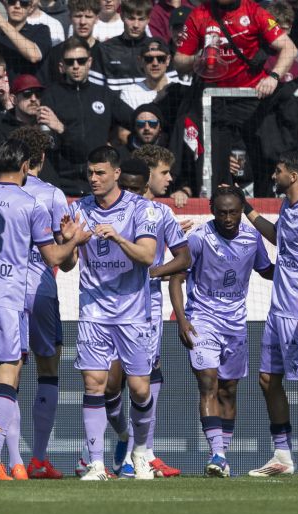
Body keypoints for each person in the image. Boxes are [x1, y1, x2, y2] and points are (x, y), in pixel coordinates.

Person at [0, 139, 86, 481]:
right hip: (7, 297)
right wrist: (74, 239)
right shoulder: (30, 203)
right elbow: (53, 258)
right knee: (8, 374)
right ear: (25, 166)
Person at [241, 152, 298, 480]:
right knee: (268, 380)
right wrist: (246, 208)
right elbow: (278, 237)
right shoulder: (288, 206)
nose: (274, 175)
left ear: (293, 177)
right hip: (278, 311)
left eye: (278, 171)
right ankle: (282, 456)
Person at [69, 146, 158, 481]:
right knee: (94, 384)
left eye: (100, 173)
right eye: (90, 173)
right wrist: (71, 241)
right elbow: (67, 264)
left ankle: (141, 452)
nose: (93, 179)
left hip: (132, 311)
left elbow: (147, 256)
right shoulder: (79, 209)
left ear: (116, 173)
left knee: (139, 389)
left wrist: (118, 238)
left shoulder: (141, 209)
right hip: (93, 308)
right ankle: (95, 463)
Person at [170, 185, 273, 477]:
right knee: (208, 383)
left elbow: (265, 269)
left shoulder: (252, 237)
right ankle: (216, 453)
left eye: (233, 212)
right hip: (202, 319)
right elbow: (176, 278)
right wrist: (181, 320)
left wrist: (295, 272)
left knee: (229, 390)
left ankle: (222, 458)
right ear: (212, 211)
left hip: (235, 323)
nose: (228, 218)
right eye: (222, 212)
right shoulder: (199, 238)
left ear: (241, 211)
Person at [104, 155, 190, 479]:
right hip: (106, 302)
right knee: (108, 382)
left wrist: (151, 272)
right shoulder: (105, 209)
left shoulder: (161, 213)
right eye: (164, 172)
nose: (169, 179)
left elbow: (184, 258)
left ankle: (141, 453)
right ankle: (121, 439)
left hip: (145, 305)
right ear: (148, 174)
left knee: (145, 374)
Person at [8, 126, 77, 479]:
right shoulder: (52, 195)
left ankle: (9, 460)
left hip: (4, 291)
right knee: (47, 370)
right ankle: (37, 458)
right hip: (41, 290)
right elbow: (67, 261)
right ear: (43, 157)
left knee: (6, 375)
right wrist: (71, 241)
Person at [173, 0, 297, 188]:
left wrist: (273, 77)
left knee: (266, 153)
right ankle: (215, 199)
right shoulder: (199, 15)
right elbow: (179, 60)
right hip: (214, 98)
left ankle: (268, 196)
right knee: (214, 162)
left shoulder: (255, 11)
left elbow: (289, 48)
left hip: (252, 96)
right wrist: (199, 58)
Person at [41, 37, 134, 195]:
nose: (76, 66)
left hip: (100, 181)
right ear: (62, 66)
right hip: (63, 183)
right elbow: (48, 143)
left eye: (81, 60)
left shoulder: (104, 94)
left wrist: (118, 151)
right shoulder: (50, 96)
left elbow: (136, 121)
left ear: (89, 62)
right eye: (70, 62)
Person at [91, 0, 158, 91]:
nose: (136, 25)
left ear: (148, 20)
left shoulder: (159, 49)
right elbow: (95, 89)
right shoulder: (105, 50)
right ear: (122, 16)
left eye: (141, 19)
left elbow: (170, 89)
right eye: (131, 19)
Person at [0, 0, 52, 80]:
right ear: (5, 5)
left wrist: (2, 22)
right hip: (1, 87)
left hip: (32, 87)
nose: (17, 6)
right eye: (12, 1)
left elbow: (34, 56)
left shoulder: (41, 30)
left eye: (24, 3)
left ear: (30, 8)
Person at [119, 39, 174, 109]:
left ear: (168, 60)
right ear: (140, 61)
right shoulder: (129, 94)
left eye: (161, 58)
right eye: (149, 59)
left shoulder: (181, 88)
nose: (155, 63)